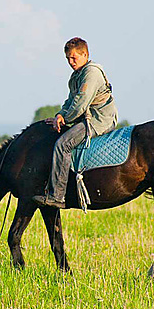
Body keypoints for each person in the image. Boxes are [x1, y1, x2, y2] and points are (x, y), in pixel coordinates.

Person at [32, 37, 118, 208]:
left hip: (99, 120)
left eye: (74, 58)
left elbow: (81, 102)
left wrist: (66, 119)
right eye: (68, 59)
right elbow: (70, 100)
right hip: (87, 117)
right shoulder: (76, 75)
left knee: (63, 144)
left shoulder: (91, 73)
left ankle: (57, 195)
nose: (70, 62)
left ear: (85, 54)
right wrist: (59, 115)